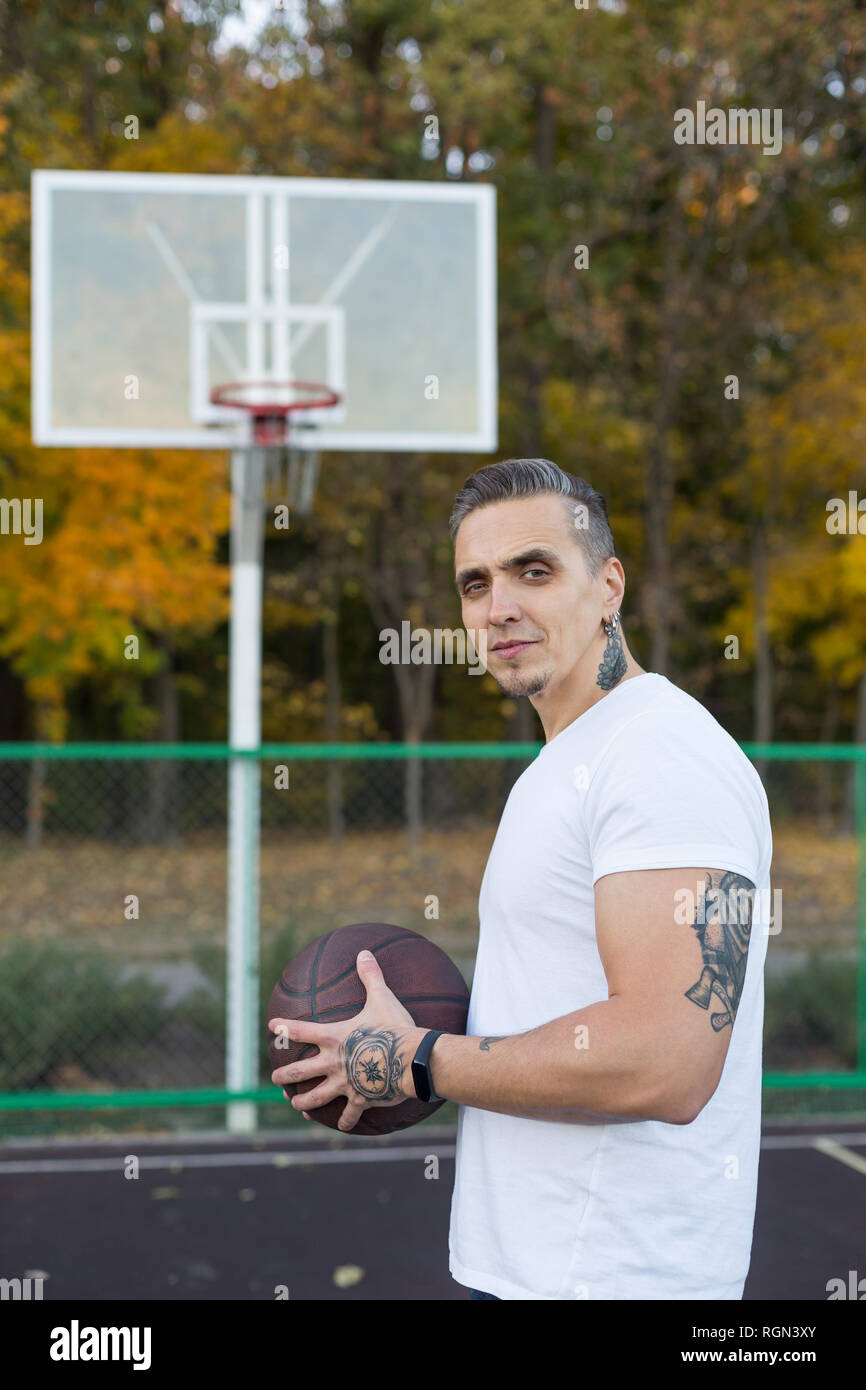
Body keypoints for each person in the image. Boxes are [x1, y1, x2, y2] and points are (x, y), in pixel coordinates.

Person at [270, 457, 773, 1301]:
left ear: (609, 584)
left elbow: (668, 1062)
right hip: (536, 1269)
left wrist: (419, 1060)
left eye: (533, 571)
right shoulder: (564, 761)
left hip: (612, 1280)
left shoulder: (660, 755)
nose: (499, 606)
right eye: (475, 584)